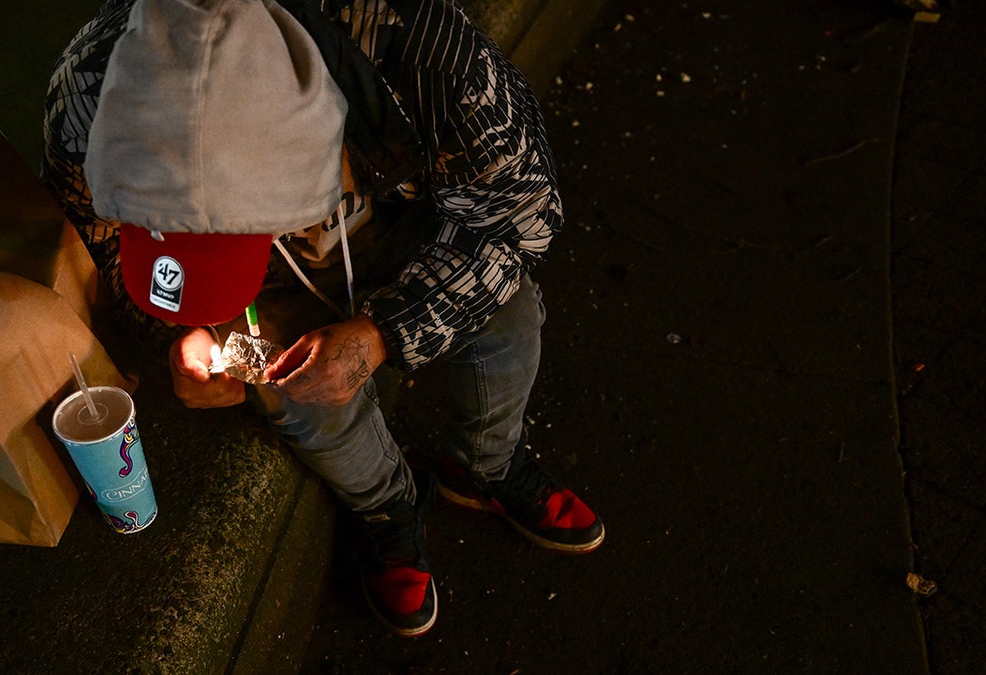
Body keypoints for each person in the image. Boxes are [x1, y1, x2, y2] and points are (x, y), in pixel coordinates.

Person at [43, 0, 603, 637]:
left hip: (403, 222)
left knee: (509, 315)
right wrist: (180, 329)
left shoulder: (419, 52)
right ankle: (389, 508)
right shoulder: (85, 95)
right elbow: (102, 248)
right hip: (287, 277)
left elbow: (519, 213)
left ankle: (487, 465)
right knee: (296, 393)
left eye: (227, 238)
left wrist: (383, 334)